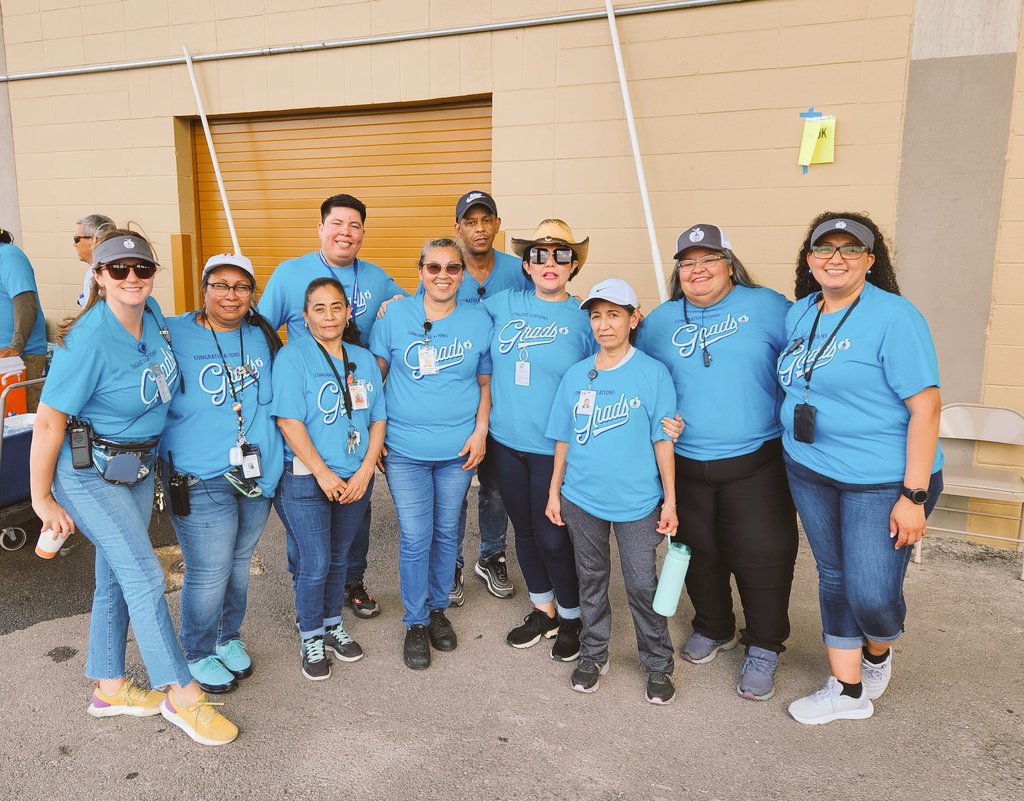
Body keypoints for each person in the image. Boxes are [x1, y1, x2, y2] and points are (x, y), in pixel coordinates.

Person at [29, 229, 237, 746]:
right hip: (88, 472)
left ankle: (109, 687)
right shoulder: (86, 342)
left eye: (141, 268)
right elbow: (48, 423)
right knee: (145, 574)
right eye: (117, 270)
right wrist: (41, 499)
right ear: (98, 276)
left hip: (137, 470)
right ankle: (181, 693)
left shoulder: (154, 315)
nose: (131, 278)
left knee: (118, 578)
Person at [777, 212, 943, 725]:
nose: (837, 258)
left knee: (871, 592)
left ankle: (878, 649)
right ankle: (847, 692)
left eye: (851, 250)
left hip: (883, 479)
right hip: (810, 467)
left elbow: (927, 406)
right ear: (809, 259)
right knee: (833, 575)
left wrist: (913, 497)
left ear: (870, 261)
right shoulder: (801, 313)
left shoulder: (895, 316)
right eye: (826, 249)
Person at [637, 224, 798, 701]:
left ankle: (765, 645)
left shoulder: (769, 307)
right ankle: (714, 625)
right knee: (695, 552)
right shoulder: (661, 321)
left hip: (755, 461)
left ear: (730, 264)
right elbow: (634, 373)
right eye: (687, 263)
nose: (698, 270)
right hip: (685, 465)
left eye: (709, 260)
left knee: (762, 556)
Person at [261, 193, 407, 619]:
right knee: (308, 514)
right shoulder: (290, 274)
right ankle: (308, 581)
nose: (345, 232)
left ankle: (352, 582)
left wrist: (397, 305)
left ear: (363, 232)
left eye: (354, 225)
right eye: (337, 224)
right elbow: (261, 331)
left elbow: (410, 309)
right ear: (321, 228)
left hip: (358, 416)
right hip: (308, 413)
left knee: (355, 514)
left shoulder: (377, 277)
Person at [545, 278, 679, 704]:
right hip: (582, 498)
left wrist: (670, 500)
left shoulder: (652, 373)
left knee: (642, 584)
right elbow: (562, 438)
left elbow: (663, 441)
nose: (604, 325)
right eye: (597, 316)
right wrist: (554, 493)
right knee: (592, 579)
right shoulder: (576, 374)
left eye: (614, 315)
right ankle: (594, 652)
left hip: (638, 502)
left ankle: (658, 662)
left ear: (633, 318)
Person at [159, 253, 284, 693]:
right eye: (221, 285)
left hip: (255, 474)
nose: (231, 295)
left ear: (252, 294)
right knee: (208, 570)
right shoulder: (172, 330)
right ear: (204, 289)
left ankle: (226, 636)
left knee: (238, 564)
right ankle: (196, 651)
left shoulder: (262, 337)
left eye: (242, 287)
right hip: (198, 474)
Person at [369, 238, 492, 670]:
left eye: (452, 268)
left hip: (458, 450)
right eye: (434, 267)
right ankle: (416, 621)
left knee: (446, 533)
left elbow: (484, 384)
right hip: (404, 449)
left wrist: (480, 432)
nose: (443, 276)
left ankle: (438, 609)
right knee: (417, 534)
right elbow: (374, 378)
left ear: (464, 273)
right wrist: (375, 435)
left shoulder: (479, 320)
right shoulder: (395, 315)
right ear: (419, 270)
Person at [480, 219, 592, 659]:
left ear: (573, 264)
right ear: (526, 265)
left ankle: (572, 615)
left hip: (555, 448)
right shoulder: (502, 303)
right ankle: (543, 610)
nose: (550, 263)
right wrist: (401, 304)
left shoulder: (585, 316)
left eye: (561, 255)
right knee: (523, 532)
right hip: (507, 442)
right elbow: (448, 310)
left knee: (552, 536)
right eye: (539, 255)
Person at [271, 277, 386, 681]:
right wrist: (322, 473)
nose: (329, 316)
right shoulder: (293, 357)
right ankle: (310, 635)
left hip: (356, 477)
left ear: (348, 311)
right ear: (305, 317)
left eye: (336, 306)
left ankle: (332, 622)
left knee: (339, 557)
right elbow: (288, 420)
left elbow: (378, 418)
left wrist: (367, 468)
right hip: (306, 478)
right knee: (315, 559)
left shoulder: (363, 358)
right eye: (319, 308)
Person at [447, 190, 527, 605]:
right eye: (470, 221)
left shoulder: (519, 270)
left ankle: (491, 554)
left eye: (486, 220)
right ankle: (451, 563)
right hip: (462, 397)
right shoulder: (448, 271)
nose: (479, 228)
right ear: (458, 227)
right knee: (457, 483)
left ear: (498, 225)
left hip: (508, 397)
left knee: (495, 485)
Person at [0, 227, 47, 413]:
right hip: (7, 358)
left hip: (21, 357)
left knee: (22, 426)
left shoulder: (9, 256)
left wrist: (16, 346)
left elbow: (26, 303)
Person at [74, 213, 115, 307]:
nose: (74, 244)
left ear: (94, 241)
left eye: (76, 239)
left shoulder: (108, 274)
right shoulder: (93, 268)